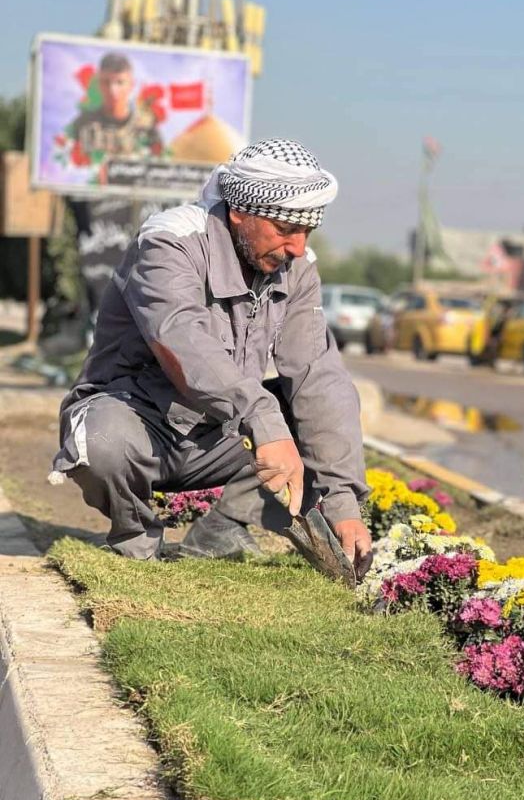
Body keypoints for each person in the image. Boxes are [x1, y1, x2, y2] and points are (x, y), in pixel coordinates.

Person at [51, 138, 372, 573]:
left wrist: (343, 502)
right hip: (142, 422)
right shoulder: (169, 242)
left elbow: (318, 375)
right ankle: (137, 542)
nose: (297, 246)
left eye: (307, 231)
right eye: (285, 229)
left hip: (219, 435)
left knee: (313, 417)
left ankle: (222, 528)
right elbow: (183, 340)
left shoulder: (296, 265)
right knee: (104, 441)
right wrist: (262, 418)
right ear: (240, 212)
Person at [68, 52, 163, 162]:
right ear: (99, 83)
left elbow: (160, 167)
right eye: (106, 82)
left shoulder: (147, 129)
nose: (113, 90)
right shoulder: (83, 123)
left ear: (131, 85)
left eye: (120, 82)